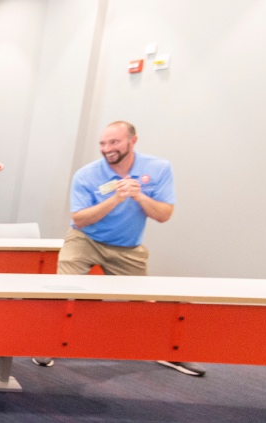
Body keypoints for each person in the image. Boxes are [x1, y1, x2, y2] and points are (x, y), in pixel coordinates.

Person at [32, 122, 194, 375]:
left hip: (127, 247)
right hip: (84, 239)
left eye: (114, 142)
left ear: (132, 141)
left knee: (146, 302)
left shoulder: (158, 168)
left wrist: (139, 196)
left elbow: (164, 215)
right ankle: (45, 346)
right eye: (103, 143)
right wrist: (115, 199)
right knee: (62, 290)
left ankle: (169, 351)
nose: (107, 149)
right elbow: (80, 219)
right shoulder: (86, 175)